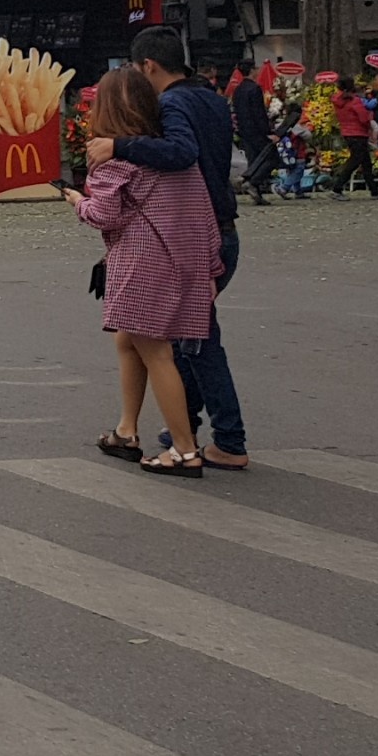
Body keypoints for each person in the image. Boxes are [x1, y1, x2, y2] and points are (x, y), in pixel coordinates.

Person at [93, 26, 249, 469]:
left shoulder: (173, 104)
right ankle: (177, 430)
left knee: (191, 343)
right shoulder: (214, 100)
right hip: (217, 227)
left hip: (190, 235)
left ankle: (220, 440)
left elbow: (181, 153)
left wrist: (119, 145)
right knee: (183, 339)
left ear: (148, 67)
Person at [76, 66, 220, 477]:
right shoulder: (175, 157)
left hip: (142, 263)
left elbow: (104, 214)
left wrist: (76, 203)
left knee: (157, 352)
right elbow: (204, 212)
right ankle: (126, 429)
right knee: (129, 340)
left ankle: (184, 448)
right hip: (184, 259)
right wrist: (212, 266)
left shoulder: (113, 160)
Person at [232, 71, 275, 204]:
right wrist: (267, 131)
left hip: (245, 131)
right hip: (257, 131)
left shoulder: (238, 89)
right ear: (252, 71)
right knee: (271, 157)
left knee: (253, 160)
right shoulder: (254, 89)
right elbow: (259, 112)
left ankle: (256, 192)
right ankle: (251, 181)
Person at [334, 76, 377, 196]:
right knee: (355, 161)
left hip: (347, 132)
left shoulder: (338, 100)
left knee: (365, 162)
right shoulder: (355, 101)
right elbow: (363, 118)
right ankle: (337, 187)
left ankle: (374, 190)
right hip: (358, 133)